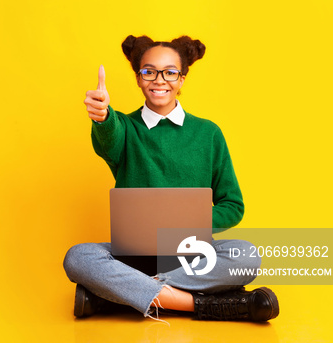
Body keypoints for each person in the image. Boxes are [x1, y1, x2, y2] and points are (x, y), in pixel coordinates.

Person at [63, 35, 280, 322]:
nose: (159, 80)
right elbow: (109, 137)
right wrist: (102, 116)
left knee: (246, 255)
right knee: (78, 257)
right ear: (139, 79)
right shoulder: (125, 127)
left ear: (182, 79)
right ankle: (201, 305)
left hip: (189, 256)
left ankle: (123, 296)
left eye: (170, 72)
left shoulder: (208, 134)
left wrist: (191, 221)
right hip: (133, 256)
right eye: (149, 71)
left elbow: (233, 205)